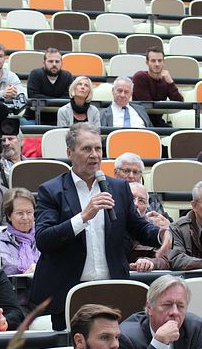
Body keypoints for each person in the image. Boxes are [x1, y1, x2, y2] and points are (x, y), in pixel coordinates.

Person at [30, 123, 166, 330]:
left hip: (111, 287)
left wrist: (161, 234)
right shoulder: (51, 190)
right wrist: (83, 217)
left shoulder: (118, 187)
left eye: (98, 149)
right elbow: (43, 240)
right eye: (86, 149)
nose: (94, 155)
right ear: (69, 153)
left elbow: (138, 228)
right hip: (69, 290)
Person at [131, 46, 184, 127]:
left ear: (164, 62)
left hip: (157, 123)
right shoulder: (140, 77)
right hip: (140, 122)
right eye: (153, 61)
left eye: (160, 60)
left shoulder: (166, 80)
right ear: (147, 62)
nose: (157, 64)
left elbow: (179, 103)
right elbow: (148, 106)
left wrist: (171, 82)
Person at [0, 187, 41, 275]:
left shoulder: (44, 238)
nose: (25, 217)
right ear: (9, 215)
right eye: (20, 213)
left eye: (29, 212)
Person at [127, 182, 171, 271]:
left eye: (141, 201)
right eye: (131, 199)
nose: (136, 204)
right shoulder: (109, 226)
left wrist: (149, 262)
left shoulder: (155, 229)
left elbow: (167, 260)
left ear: (147, 207)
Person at [23, 48, 72, 125]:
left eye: (57, 61)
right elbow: (33, 96)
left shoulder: (67, 76)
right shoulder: (35, 74)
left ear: (62, 63)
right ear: (44, 63)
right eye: (50, 61)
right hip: (33, 119)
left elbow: (69, 98)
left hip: (60, 120)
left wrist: (45, 100)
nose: (54, 64)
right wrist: (58, 101)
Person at [114, 152, 167, 216]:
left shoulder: (151, 199)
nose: (131, 176)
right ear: (116, 173)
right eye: (126, 171)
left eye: (135, 172)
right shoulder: (108, 196)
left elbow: (162, 222)